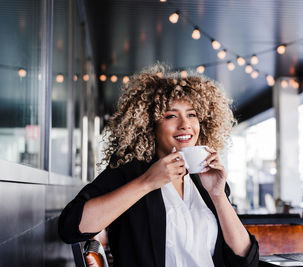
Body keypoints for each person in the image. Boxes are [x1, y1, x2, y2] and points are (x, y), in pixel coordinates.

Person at [58, 64, 259, 267]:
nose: (185, 124)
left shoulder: (207, 180)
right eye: (171, 115)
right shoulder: (130, 170)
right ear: (149, 124)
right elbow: (70, 227)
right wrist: (147, 182)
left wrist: (218, 195)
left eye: (192, 114)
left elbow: (245, 259)